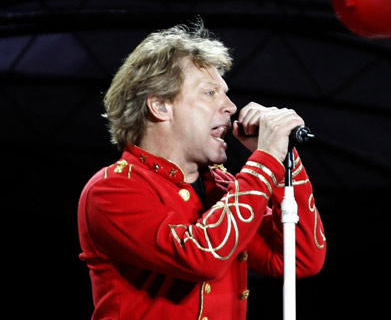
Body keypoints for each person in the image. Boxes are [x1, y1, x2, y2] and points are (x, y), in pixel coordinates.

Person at [77, 21, 326, 320]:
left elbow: (300, 260)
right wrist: (265, 161)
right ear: (160, 106)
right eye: (210, 93)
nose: (231, 107)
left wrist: (285, 160)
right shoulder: (111, 189)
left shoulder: (223, 187)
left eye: (225, 94)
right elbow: (200, 256)